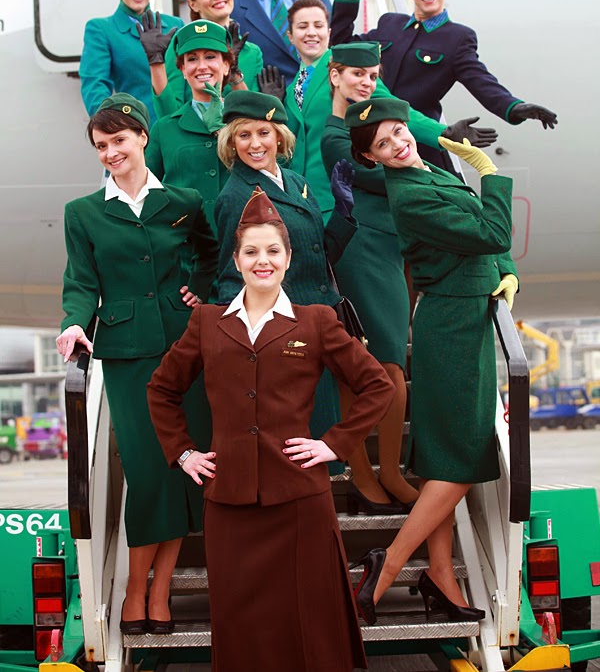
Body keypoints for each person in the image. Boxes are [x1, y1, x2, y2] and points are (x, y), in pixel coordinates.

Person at [148, 187, 395, 672]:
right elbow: (161, 390)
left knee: (312, 619)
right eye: (252, 252)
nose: (263, 261)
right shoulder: (206, 322)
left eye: (273, 251)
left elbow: (377, 386)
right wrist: (183, 454)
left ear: (288, 259)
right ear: (236, 260)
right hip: (230, 501)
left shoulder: (317, 321)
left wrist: (334, 445)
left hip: (300, 498)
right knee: (240, 622)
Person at [345, 96, 518, 626]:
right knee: (463, 459)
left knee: (444, 458)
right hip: (452, 326)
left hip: (467, 312)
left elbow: (487, 245)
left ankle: (440, 575)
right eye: (384, 143)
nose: (398, 142)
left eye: (399, 131)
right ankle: (391, 563)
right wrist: (489, 172)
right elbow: (491, 231)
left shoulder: (429, 174)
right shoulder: (409, 196)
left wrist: (503, 271)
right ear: (372, 159)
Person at [55, 94, 218, 635]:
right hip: (127, 357)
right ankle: (132, 593)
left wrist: (196, 287)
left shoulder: (183, 200)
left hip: (184, 351)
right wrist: (76, 321)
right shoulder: (82, 213)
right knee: (149, 475)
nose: (110, 153)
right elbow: (81, 280)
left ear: (143, 138)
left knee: (181, 471)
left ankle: (161, 594)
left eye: (119, 141)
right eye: (101, 146)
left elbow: (211, 253)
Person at [214, 90, 357, 472]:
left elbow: (317, 252)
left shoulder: (294, 182)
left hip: (316, 322)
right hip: (284, 338)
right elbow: (232, 274)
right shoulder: (236, 196)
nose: (255, 144)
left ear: (279, 135)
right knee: (299, 455)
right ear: (231, 141)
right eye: (243, 135)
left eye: (263, 132)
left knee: (318, 451)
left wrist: (344, 213)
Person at [330, 0, 557, 166]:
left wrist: (513, 107)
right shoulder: (390, 24)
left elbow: (481, 81)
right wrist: (348, 2)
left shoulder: (457, 38)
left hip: (418, 143)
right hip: (372, 140)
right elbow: (344, 49)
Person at [321, 43, 423, 513]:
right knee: (372, 368)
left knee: (391, 368)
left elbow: (399, 150)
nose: (366, 80)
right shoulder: (336, 133)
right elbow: (383, 179)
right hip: (359, 250)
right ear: (335, 74)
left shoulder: (375, 120)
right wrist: (417, 171)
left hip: (388, 249)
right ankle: (364, 474)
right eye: (357, 73)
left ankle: (388, 472)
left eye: (373, 74)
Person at [280, 0, 497, 218]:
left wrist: (442, 134)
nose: (311, 33)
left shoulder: (351, 69)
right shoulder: (290, 89)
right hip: (303, 199)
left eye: (318, 25)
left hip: (339, 197)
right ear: (290, 35)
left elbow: (393, 110)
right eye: (302, 26)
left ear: (328, 31)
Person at [141, 0, 263, 118]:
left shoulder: (252, 52)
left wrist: (235, 76)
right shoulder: (180, 47)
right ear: (193, 4)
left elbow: (255, 114)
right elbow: (169, 113)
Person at [145, 20, 233, 233]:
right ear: (183, 70)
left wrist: (224, 132)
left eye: (210, 57)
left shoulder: (245, 121)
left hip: (241, 246)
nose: (201, 66)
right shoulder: (164, 129)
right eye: (192, 59)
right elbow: (145, 192)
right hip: (187, 252)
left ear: (226, 65)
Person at [79, 0, 183, 127]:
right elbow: (95, 86)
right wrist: (112, 129)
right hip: (139, 132)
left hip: (180, 131)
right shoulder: (101, 29)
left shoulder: (175, 25)